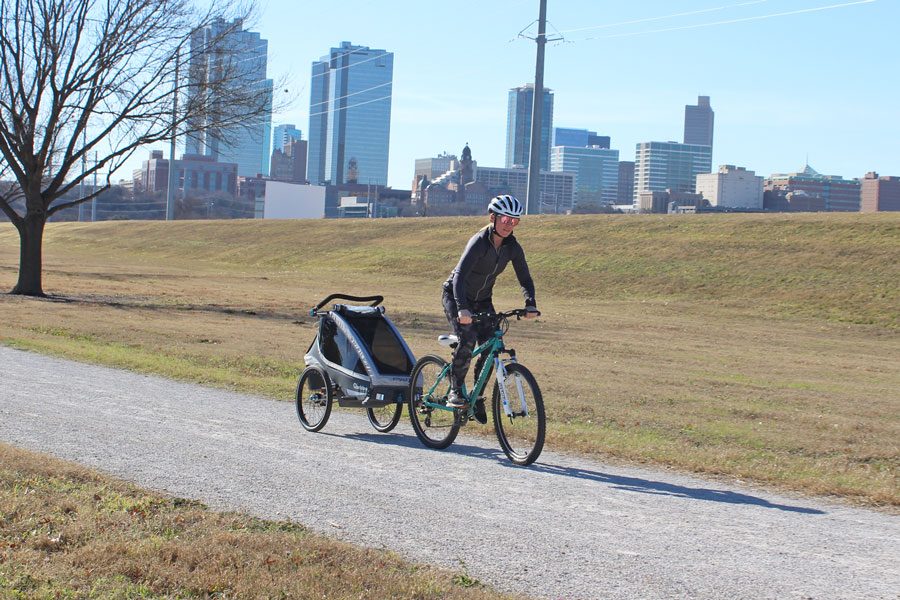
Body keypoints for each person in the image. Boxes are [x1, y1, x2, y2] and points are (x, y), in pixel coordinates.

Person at [442, 194, 539, 423]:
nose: (509, 225)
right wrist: (462, 309)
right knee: (466, 340)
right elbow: (458, 278)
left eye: (514, 221)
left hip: (483, 301)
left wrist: (530, 303)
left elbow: (524, 277)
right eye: (505, 219)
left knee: (490, 348)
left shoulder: (512, 247)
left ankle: (476, 397)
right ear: (493, 217)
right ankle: (456, 390)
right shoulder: (479, 242)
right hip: (456, 296)